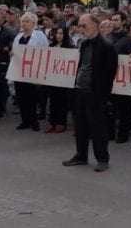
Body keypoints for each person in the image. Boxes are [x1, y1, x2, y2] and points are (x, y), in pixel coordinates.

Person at [63, 14, 117, 172]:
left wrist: (103, 95)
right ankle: (81, 155)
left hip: (96, 93)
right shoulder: (85, 44)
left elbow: (110, 73)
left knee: (98, 127)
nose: (81, 29)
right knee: (80, 125)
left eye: (84, 25)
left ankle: (102, 159)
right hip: (80, 90)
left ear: (95, 25)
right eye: (79, 25)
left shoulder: (106, 46)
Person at [12, 12, 48, 131]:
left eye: (27, 21)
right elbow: (14, 49)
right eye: (23, 21)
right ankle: (25, 120)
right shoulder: (19, 36)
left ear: (33, 23)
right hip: (19, 70)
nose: (24, 23)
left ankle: (34, 121)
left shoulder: (39, 35)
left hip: (32, 70)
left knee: (32, 96)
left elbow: (45, 50)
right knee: (21, 96)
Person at [44, 26, 72, 133]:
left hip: (63, 80)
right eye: (57, 33)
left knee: (62, 101)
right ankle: (52, 122)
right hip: (52, 78)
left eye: (61, 33)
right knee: (53, 101)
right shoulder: (51, 46)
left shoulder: (70, 48)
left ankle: (61, 122)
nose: (59, 35)